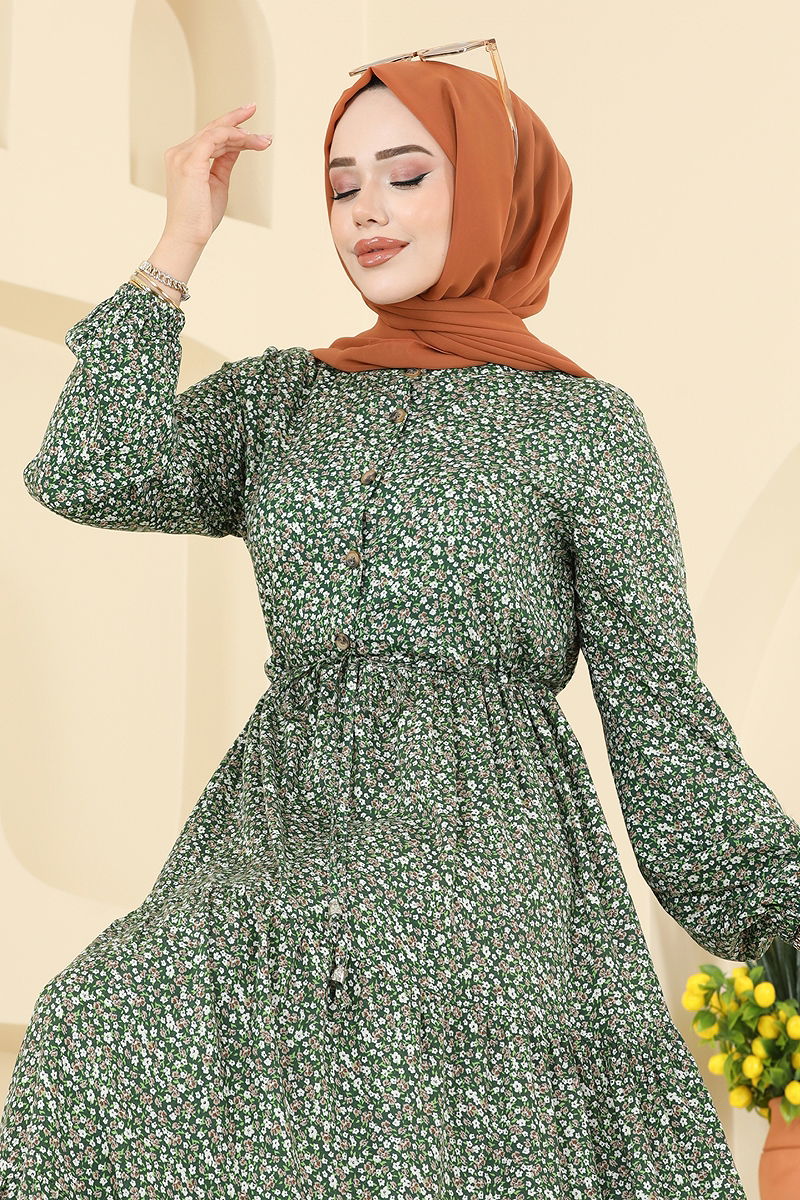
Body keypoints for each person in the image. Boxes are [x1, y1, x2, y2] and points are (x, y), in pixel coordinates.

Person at [1, 53, 798, 1199]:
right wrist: (179, 243)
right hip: (277, 847)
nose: (366, 210)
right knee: (99, 1030)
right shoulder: (281, 400)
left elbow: (661, 723)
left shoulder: (582, 428)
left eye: (406, 175)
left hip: (486, 870)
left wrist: (778, 910)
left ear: (491, 192)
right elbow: (88, 468)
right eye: (340, 186)